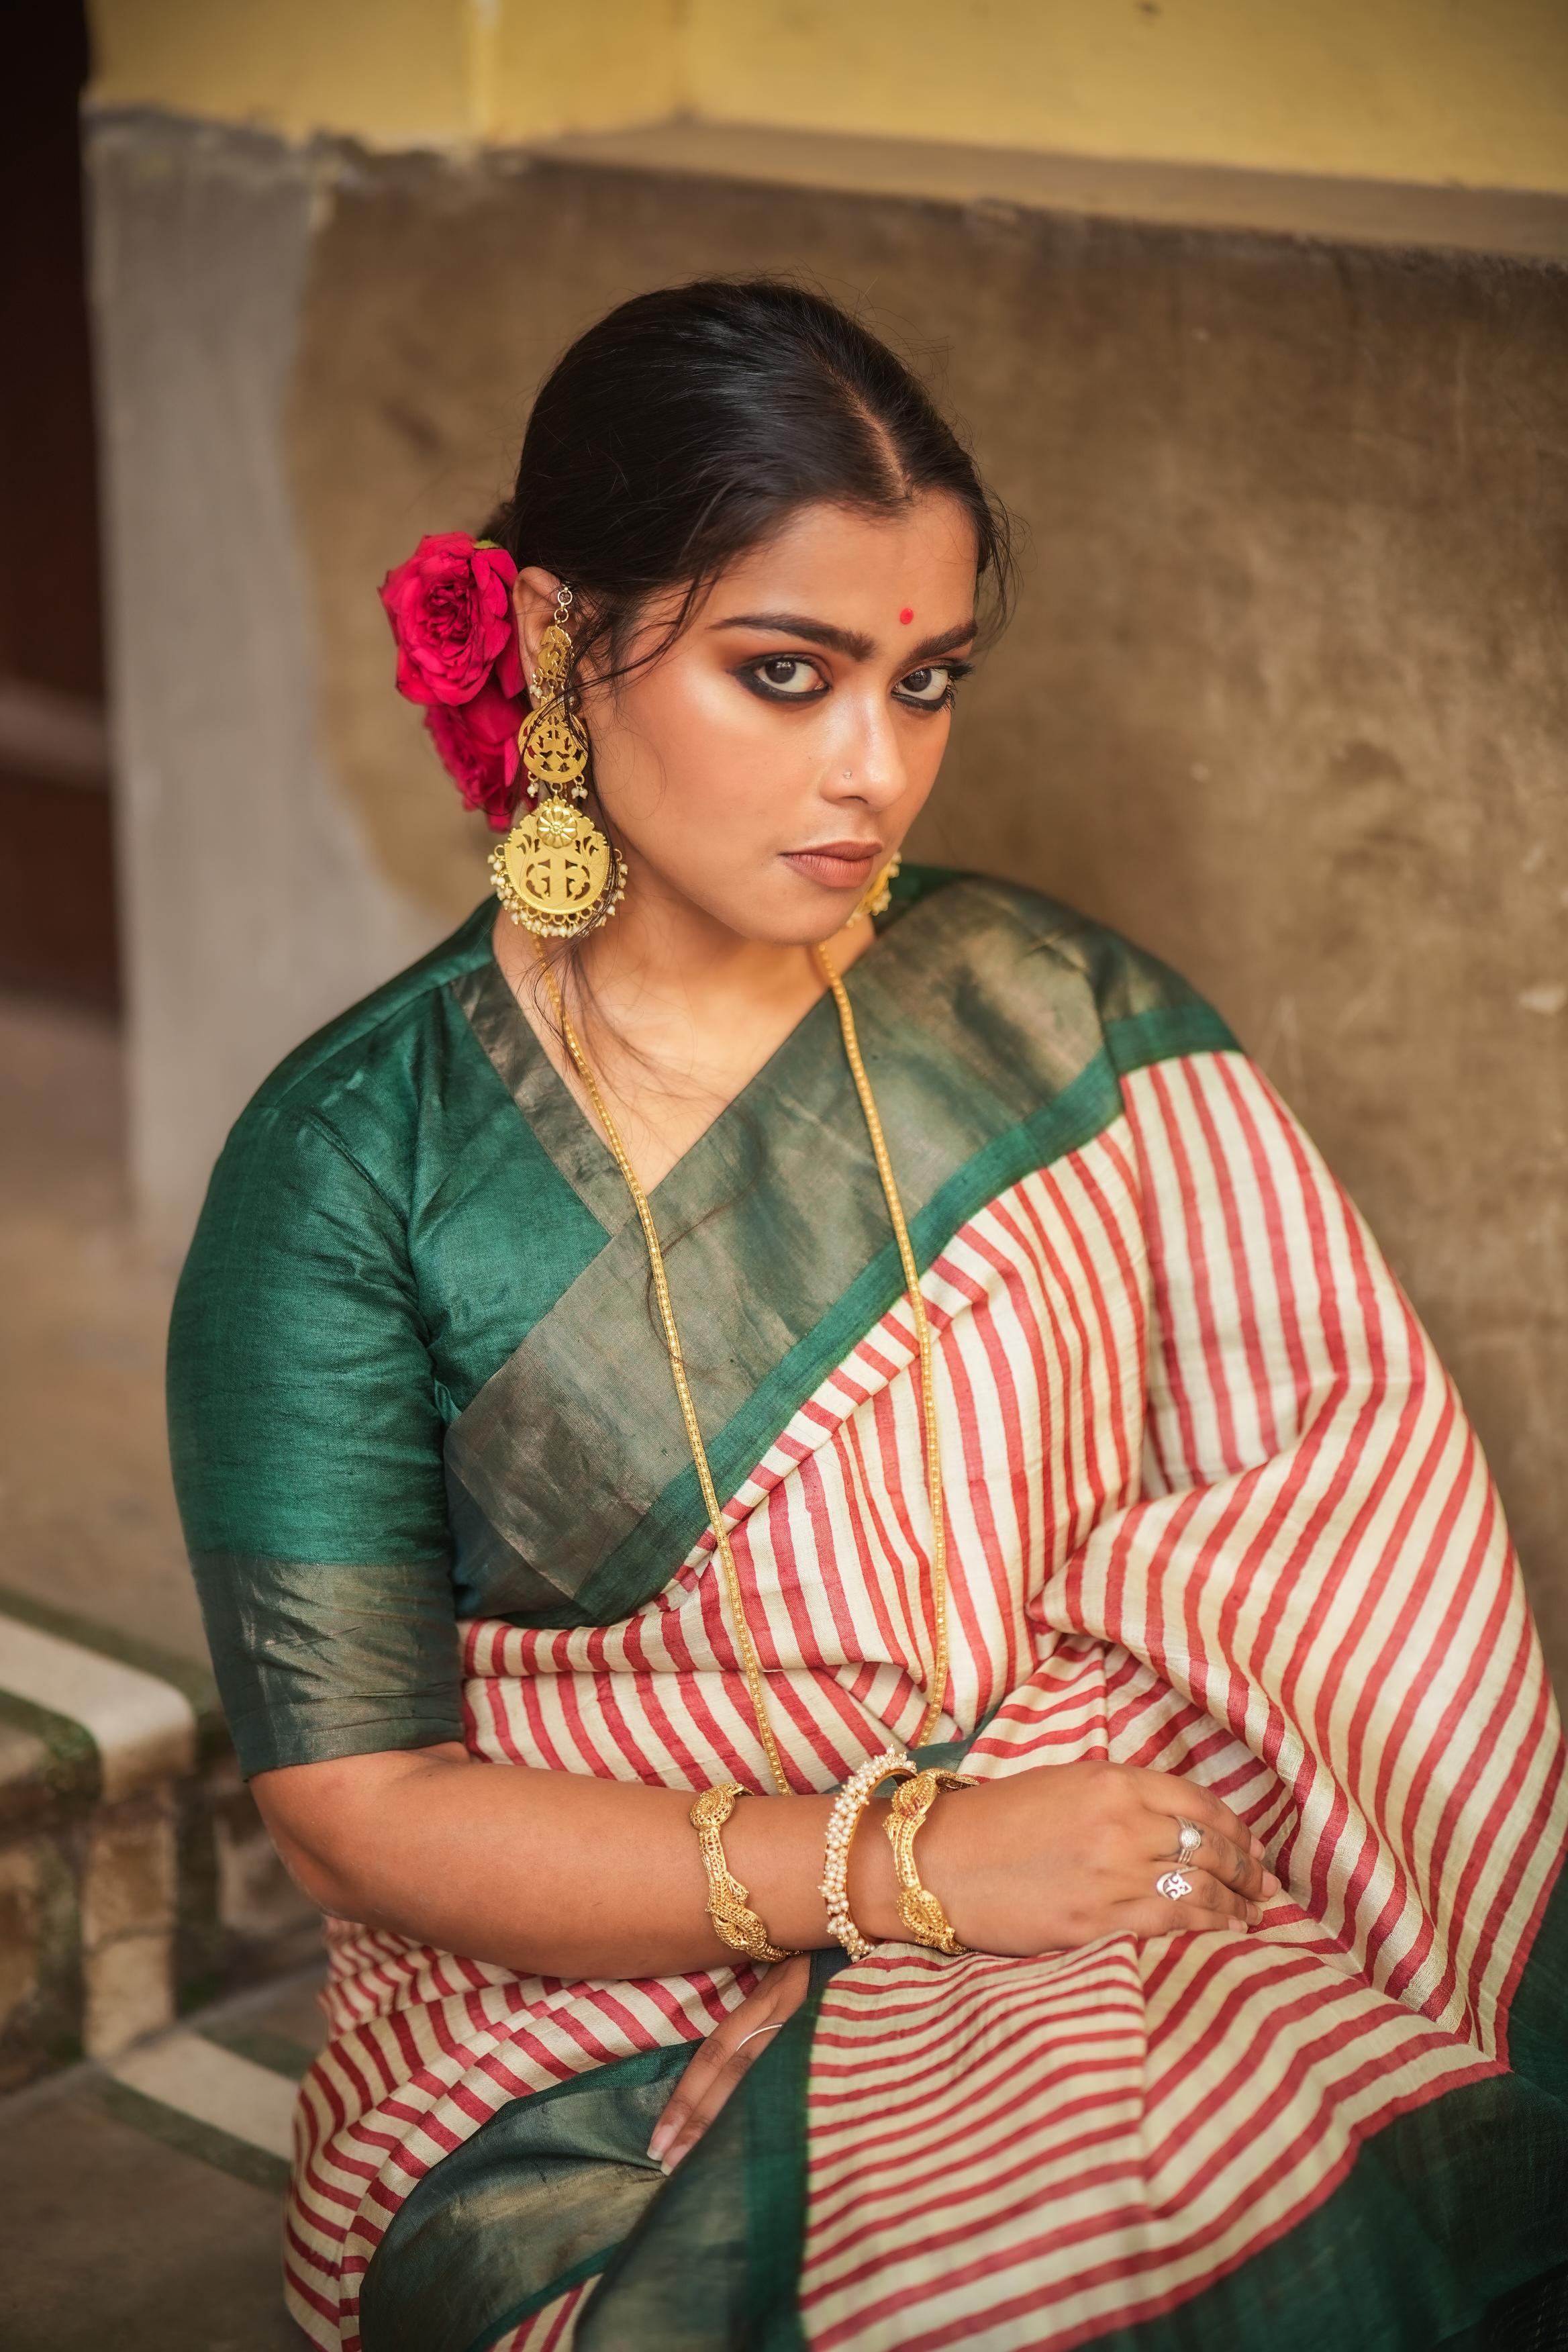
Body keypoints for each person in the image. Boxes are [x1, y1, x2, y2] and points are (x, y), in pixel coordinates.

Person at [167, 279, 1568, 2352]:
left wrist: (1016, 1886)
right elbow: (360, 1819)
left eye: (925, 682)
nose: (873, 771)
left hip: (1094, 1858)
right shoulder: (353, 1166)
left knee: (1254, 2160)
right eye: (786, 672)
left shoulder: (1055, 1013)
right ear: (560, 642)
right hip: (574, 2013)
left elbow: (1333, 1552)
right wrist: (903, 1882)